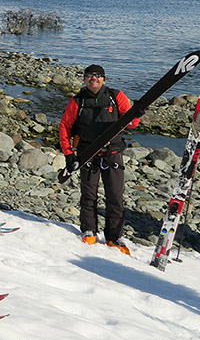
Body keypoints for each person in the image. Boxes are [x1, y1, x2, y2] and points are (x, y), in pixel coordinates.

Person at [59, 64, 140, 254]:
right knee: (88, 195)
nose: (93, 79)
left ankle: (114, 236)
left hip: (112, 153)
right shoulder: (77, 101)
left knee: (115, 196)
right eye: (89, 76)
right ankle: (89, 230)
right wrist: (69, 154)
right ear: (85, 79)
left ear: (103, 79)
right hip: (88, 153)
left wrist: (137, 113)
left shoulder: (116, 96)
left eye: (97, 76)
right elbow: (65, 127)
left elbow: (133, 124)